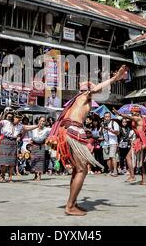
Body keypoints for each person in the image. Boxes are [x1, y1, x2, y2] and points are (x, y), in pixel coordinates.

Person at [47, 65, 127, 216]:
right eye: (93, 86)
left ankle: (73, 203)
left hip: (69, 130)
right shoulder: (85, 96)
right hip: (73, 131)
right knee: (82, 169)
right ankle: (70, 206)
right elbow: (97, 89)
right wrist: (115, 79)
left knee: (78, 169)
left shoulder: (77, 99)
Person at [0, 111, 37, 183]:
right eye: (18, 119)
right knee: (3, 162)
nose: (19, 121)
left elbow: (27, 127)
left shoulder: (20, 125)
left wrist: (37, 125)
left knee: (12, 162)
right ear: (14, 118)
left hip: (13, 143)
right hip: (5, 141)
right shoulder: (5, 122)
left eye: (20, 119)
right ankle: (2, 176)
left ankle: (10, 178)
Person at [114, 106, 146, 185]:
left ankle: (132, 176)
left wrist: (119, 113)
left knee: (128, 157)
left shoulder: (137, 119)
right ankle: (143, 181)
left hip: (140, 141)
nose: (132, 113)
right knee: (142, 161)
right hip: (143, 140)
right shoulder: (144, 119)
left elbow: (128, 117)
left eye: (133, 111)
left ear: (137, 112)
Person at [30, 116, 50, 181]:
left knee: (40, 161)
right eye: (41, 120)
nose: (42, 122)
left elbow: (54, 131)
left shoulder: (47, 129)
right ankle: (35, 175)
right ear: (38, 121)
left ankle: (39, 176)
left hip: (42, 146)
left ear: (45, 122)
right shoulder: (33, 128)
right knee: (34, 160)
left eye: (43, 121)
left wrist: (48, 139)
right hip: (34, 146)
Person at [101, 112, 120, 177]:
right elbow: (101, 133)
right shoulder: (103, 124)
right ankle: (110, 170)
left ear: (110, 117)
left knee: (112, 156)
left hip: (113, 142)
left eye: (108, 116)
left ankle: (115, 171)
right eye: (105, 117)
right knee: (107, 158)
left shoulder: (114, 123)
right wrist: (102, 127)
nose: (107, 118)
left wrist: (109, 129)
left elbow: (117, 133)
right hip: (106, 143)